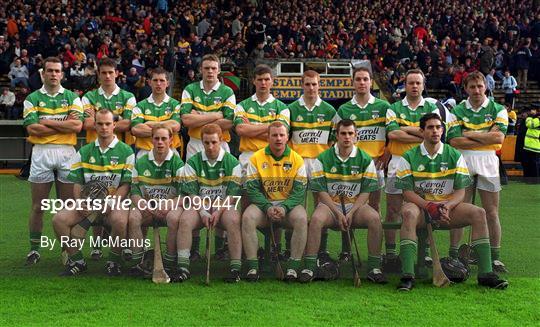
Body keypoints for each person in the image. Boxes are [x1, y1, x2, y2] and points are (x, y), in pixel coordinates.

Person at [395, 113, 508, 291]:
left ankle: (486, 274)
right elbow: (407, 192)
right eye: (430, 127)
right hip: (421, 209)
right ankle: (407, 276)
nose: (435, 131)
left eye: (438, 127)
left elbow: (460, 191)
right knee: (408, 212)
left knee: (479, 213)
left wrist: (446, 206)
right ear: (421, 131)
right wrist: (429, 206)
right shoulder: (408, 156)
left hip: (446, 210)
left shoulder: (454, 155)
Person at [298, 119, 386, 284]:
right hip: (330, 206)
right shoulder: (323, 158)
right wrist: (338, 213)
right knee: (316, 219)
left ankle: (374, 267)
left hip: (356, 207)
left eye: (350, 133)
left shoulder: (365, 159)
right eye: (343, 133)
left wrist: (351, 212)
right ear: (337, 136)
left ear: (356, 136)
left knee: (375, 218)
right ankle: (309, 267)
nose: (347, 137)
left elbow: (367, 191)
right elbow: (321, 192)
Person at [52, 109, 134, 276]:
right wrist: (79, 202)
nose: (104, 127)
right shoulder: (83, 151)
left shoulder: (127, 152)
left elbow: (125, 185)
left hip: (113, 204)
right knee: (59, 220)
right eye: (100, 124)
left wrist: (111, 202)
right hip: (88, 203)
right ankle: (78, 261)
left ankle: (113, 262)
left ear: (114, 125)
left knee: (119, 220)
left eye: (108, 124)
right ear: (94, 125)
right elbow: (77, 182)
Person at [23, 56, 84, 265]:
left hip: (67, 151)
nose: (54, 74)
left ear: (62, 74)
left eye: (57, 71)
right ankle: (34, 250)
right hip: (41, 151)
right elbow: (32, 128)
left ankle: (67, 251)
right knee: (38, 206)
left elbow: (76, 127)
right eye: (50, 70)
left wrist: (47, 121)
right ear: (43, 73)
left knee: (67, 206)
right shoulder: (32, 98)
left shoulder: (72, 97)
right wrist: (63, 123)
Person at [447, 71, 509, 273]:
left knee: (491, 212)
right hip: (463, 163)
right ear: (465, 88)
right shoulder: (456, 110)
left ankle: (495, 256)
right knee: (459, 212)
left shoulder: (498, 109)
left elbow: (498, 139)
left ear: (486, 87)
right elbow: (454, 141)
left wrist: (470, 134)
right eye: (472, 87)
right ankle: (454, 255)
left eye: (479, 86)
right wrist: (485, 135)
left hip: (488, 163)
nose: (476, 90)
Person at [82, 58, 137, 259]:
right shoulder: (89, 96)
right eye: (103, 73)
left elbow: (128, 124)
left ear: (116, 73)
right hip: (95, 152)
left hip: (123, 151)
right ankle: (96, 246)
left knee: (125, 201)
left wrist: (99, 118)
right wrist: (116, 120)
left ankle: (126, 245)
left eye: (110, 72)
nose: (107, 76)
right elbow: (86, 124)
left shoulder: (128, 96)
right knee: (97, 194)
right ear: (99, 75)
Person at [175, 124, 243, 282]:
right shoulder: (192, 162)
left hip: (224, 207)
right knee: (185, 220)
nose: (210, 146)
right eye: (206, 143)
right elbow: (192, 193)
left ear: (221, 140)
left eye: (214, 142)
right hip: (200, 206)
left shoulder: (232, 163)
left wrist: (218, 212)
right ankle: (182, 267)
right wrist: (204, 212)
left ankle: (235, 269)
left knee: (233, 220)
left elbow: (231, 196)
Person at [384, 69, 439, 267]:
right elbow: (393, 135)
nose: (414, 86)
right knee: (392, 209)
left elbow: (437, 133)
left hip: (425, 163)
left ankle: (421, 252)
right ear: (404, 85)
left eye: (418, 83)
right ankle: (390, 254)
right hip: (398, 162)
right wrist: (421, 133)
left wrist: (404, 128)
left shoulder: (433, 106)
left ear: (423, 85)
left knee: (422, 208)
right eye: (410, 83)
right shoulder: (394, 107)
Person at [242, 121, 308, 282]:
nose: (278, 138)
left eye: (281, 135)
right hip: (264, 204)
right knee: (247, 217)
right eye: (274, 135)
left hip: (288, 205)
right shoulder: (256, 158)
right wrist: (266, 207)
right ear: (268, 137)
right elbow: (251, 189)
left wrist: (284, 207)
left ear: (287, 137)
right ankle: (253, 267)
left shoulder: (297, 159)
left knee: (301, 218)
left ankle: (292, 268)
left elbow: (300, 191)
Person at [336, 66, 391, 261]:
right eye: (358, 79)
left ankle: (376, 253)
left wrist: (387, 153)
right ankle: (346, 251)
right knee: (346, 207)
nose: (361, 83)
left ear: (371, 82)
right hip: (351, 169)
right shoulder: (344, 109)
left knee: (375, 208)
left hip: (375, 167)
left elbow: (392, 135)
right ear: (353, 83)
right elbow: (337, 139)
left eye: (365, 79)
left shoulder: (384, 107)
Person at [286, 69, 338, 261]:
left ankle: (321, 249)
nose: (311, 88)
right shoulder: (291, 109)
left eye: (314, 84)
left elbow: (333, 142)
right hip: (297, 163)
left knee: (322, 206)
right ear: (302, 85)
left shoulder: (329, 111)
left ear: (319, 85)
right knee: (295, 205)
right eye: (307, 84)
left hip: (319, 163)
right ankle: (289, 248)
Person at [127, 124, 184, 276]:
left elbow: (184, 195)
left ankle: (170, 262)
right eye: (157, 138)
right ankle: (138, 262)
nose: (160, 142)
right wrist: (141, 203)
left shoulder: (177, 163)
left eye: (164, 139)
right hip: (147, 208)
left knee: (174, 218)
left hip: (169, 208)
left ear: (171, 140)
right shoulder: (141, 162)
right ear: (151, 140)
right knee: (133, 216)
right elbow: (134, 190)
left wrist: (169, 204)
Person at [180, 54, 236, 160]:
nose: (210, 71)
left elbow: (229, 122)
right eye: (206, 68)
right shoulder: (190, 89)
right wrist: (216, 115)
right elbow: (186, 120)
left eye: (213, 68)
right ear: (201, 70)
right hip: (195, 143)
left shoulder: (227, 92)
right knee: (193, 177)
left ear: (219, 70)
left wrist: (198, 118)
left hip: (220, 142)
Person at [131, 68, 181, 159]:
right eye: (155, 80)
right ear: (149, 82)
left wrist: (149, 124)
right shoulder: (140, 106)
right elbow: (136, 129)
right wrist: (166, 127)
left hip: (170, 151)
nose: (158, 83)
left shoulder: (175, 104)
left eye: (162, 80)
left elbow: (176, 126)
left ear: (167, 83)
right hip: (145, 153)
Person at [523, 107, 540, 183]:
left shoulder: (538, 119)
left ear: (537, 111)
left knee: (534, 164)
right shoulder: (535, 119)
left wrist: (528, 117)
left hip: (534, 146)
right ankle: (530, 179)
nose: (531, 111)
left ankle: (535, 180)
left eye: (533, 110)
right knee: (529, 164)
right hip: (529, 146)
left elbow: (529, 124)